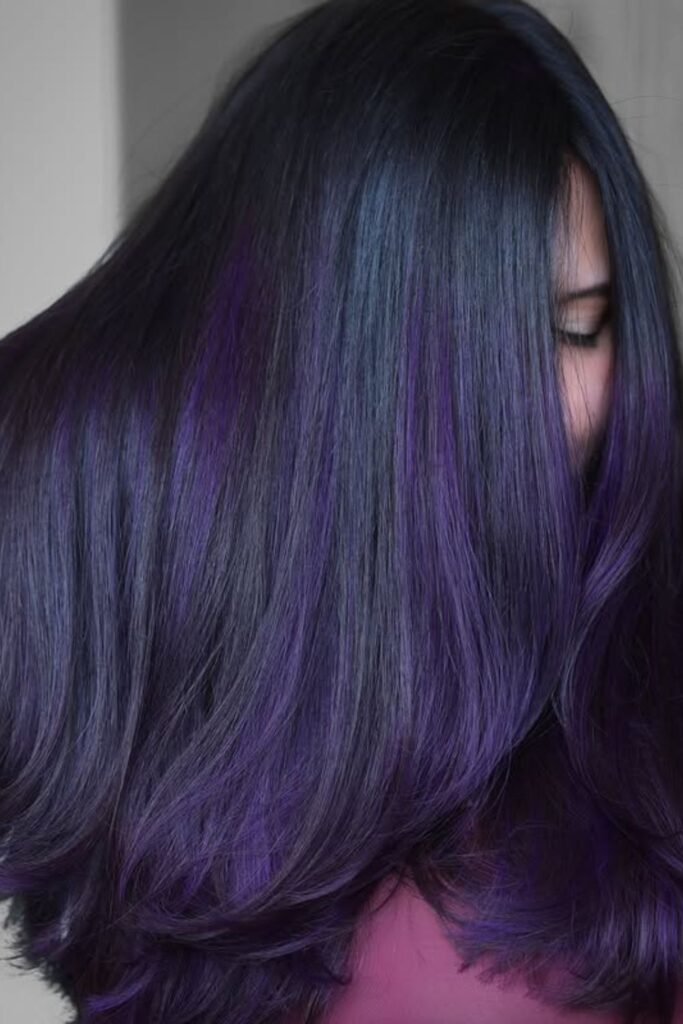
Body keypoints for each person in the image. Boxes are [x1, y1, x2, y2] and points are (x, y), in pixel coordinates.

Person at [1, 1, 682, 1022]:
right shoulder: (124, 553)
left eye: (576, 328)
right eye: (473, 343)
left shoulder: (627, 650)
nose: (532, 416)